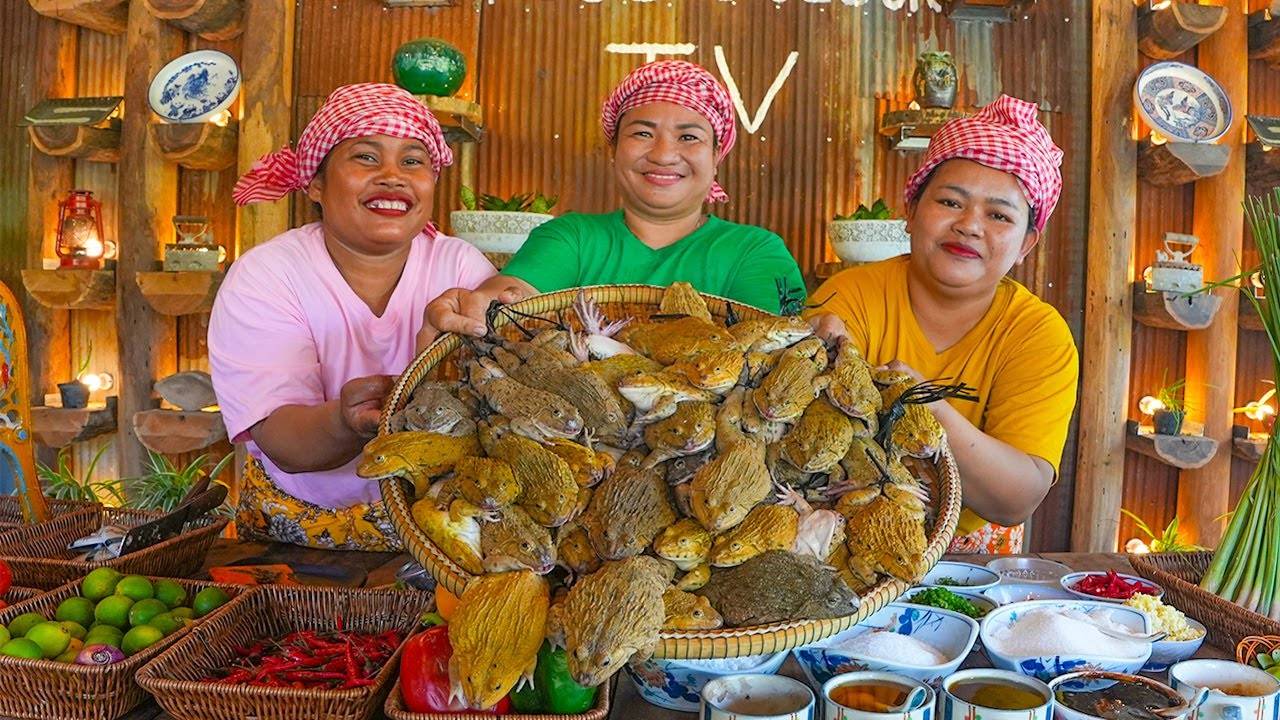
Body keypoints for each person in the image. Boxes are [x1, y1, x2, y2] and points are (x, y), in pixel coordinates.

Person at [209, 83, 500, 550]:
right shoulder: (268, 274)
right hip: (300, 535)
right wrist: (346, 422)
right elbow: (282, 441)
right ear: (316, 183)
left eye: (413, 161)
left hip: (440, 528)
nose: (393, 176)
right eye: (366, 157)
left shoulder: (460, 267)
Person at [808, 95, 1079, 554]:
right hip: (838, 542)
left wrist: (923, 403)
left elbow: (1015, 499)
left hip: (970, 562)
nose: (969, 225)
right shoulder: (850, 295)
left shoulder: (1038, 334)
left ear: (1026, 244)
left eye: (999, 215)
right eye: (951, 202)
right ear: (912, 211)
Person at [421, 60, 805, 345]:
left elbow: (780, 343)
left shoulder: (754, 250)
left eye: (689, 137)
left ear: (717, 156)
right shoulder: (572, 237)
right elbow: (515, 292)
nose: (663, 154)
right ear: (614, 150)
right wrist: (479, 305)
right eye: (642, 133)